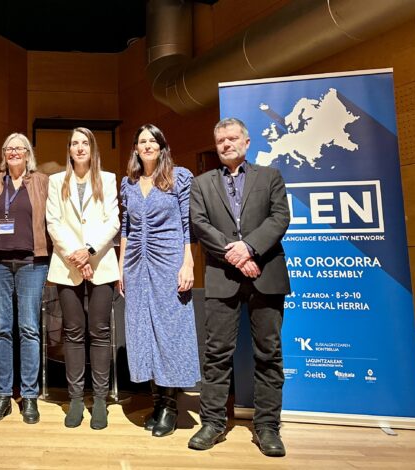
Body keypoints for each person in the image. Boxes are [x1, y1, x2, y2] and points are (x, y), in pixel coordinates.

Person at [188, 118, 291, 457]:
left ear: (247, 143)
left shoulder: (270, 177)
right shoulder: (201, 184)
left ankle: (267, 427)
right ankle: (213, 423)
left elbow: (279, 218)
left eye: (233, 139)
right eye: (220, 140)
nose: (226, 144)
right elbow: (200, 224)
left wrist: (249, 248)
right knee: (216, 354)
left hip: (266, 273)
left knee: (269, 354)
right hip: (222, 277)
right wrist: (235, 254)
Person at [118, 124, 200, 438]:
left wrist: (188, 262)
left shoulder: (179, 177)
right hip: (137, 264)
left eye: (153, 140)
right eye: (142, 141)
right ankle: (156, 402)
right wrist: (122, 266)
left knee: (170, 330)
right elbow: (126, 228)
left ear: (161, 146)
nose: (148, 145)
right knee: (143, 330)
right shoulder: (129, 182)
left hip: (169, 261)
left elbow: (186, 222)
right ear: (136, 148)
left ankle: (170, 405)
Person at [46, 127, 120, 430]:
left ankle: (100, 399)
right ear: (69, 149)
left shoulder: (108, 179)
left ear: (92, 148)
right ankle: (76, 399)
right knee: (73, 332)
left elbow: (112, 221)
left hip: (100, 262)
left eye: (84, 143)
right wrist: (76, 256)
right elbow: (54, 222)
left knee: (100, 332)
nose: (79, 148)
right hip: (67, 265)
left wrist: (88, 252)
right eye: (74, 143)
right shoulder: (55, 181)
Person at [0, 133, 50, 425]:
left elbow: (54, 219)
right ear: (4, 153)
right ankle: (3, 396)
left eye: (19, 148)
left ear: (28, 153)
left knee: (29, 329)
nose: (14, 152)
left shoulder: (42, 181)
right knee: (1, 330)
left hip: (32, 263)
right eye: (9, 148)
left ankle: (30, 396)